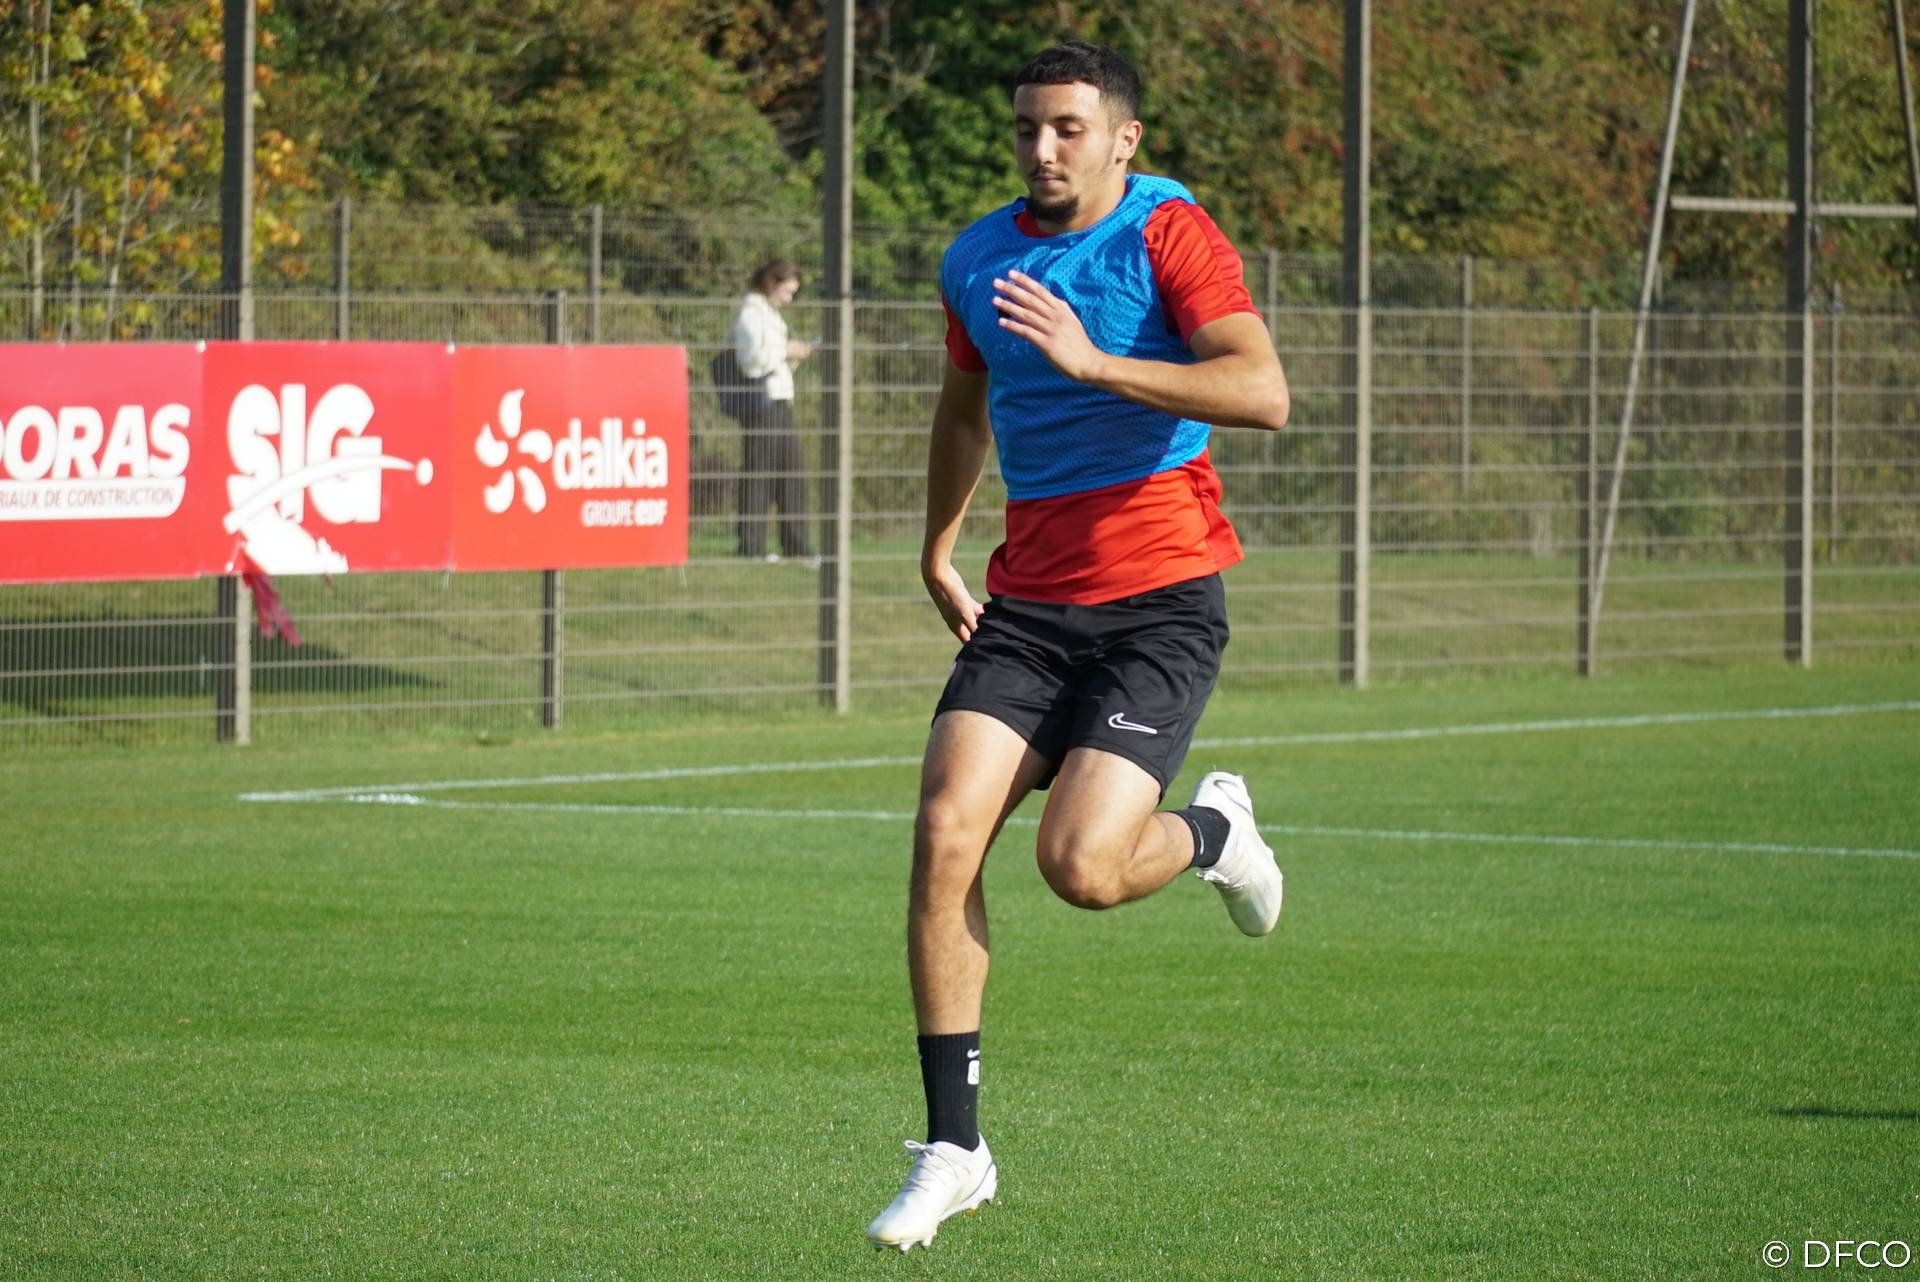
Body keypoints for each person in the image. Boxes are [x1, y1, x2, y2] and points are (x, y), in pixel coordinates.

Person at [864, 41, 1292, 1252]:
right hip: (1030, 607)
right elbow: (964, 409)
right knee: (946, 829)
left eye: (1067, 127)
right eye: (1026, 128)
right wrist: (937, 544)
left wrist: (1094, 360)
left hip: (1160, 603)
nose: (1042, 149)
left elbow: (1262, 390)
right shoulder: (974, 258)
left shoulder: (1167, 233)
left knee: (1082, 868)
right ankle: (955, 1149)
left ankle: (1215, 834)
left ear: (1122, 140)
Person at [729, 259, 815, 561]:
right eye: (787, 291)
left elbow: (772, 359)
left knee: (792, 474)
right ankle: (752, 547)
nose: (789, 299)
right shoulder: (750, 313)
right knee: (759, 475)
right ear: (771, 283)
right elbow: (750, 362)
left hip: (780, 401)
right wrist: (785, 350)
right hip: (761, 404)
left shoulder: (770, 314)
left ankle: (796, 546)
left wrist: (793, 355)